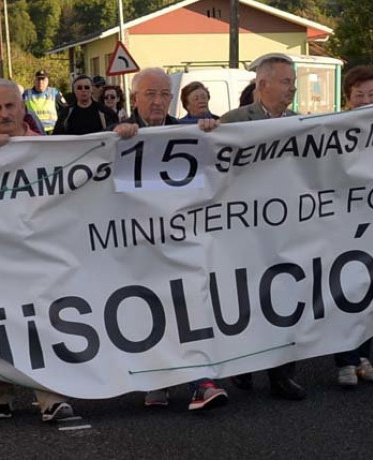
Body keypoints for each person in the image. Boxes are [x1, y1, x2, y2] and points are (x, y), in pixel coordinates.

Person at [113, 68, 229, 411]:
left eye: (164, 94)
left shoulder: (185, 131)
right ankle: (157, 381)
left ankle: (201, 382)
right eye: (150, 94)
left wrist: (209, 132)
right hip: (135, 243)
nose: (158, 101)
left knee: (188, 306)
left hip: (178, 240)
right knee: (148, 310)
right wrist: (116, 136)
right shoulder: (114, 135)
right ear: (135, 97)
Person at [0, 79, 76, 422]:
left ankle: (51, 396)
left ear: (22, 107)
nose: (4, 114)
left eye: (9, 106)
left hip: (35, 249)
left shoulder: (44, 147)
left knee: (42, 321)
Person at [203, 54, 307, 401]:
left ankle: (282, 374)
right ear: (263, 85)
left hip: (284, 225)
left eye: (293, 81)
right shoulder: (232, 122)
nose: (292, 87)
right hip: (243, 227)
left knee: (284, 295)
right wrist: (205, 132)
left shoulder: (298, 122)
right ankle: (242, 366)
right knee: (245, 296)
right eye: (286, 81)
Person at [333, 65, 373, 388]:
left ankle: (362, 357)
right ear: (348, 99)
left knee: (372, 293)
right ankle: (344, 361)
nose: (366, 101)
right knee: (346, 291)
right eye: (359, 96)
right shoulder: (335, 129)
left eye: (372, 95)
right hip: (342, 224)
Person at [53, 74, 118, 135]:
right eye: (79, 88)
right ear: (74, 91)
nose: (83, 90)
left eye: (86, 87)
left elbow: (114, 133)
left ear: (91, 89)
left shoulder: (105, 112)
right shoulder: (66, 113)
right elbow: (57, 135)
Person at [23, 69, 66, 134]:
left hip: (52, 130)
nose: (40, 82)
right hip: (34, 129)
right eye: (38, 79)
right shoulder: (26, 94)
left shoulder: (54, 92)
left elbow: (65, 108)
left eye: (43, 80)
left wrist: (61, 125)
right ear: (34, 81)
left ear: (47, 81)